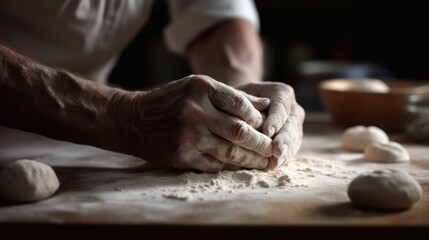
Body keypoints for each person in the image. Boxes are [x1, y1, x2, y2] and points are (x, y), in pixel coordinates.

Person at [0, 0, 304, 173]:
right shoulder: (122, 120)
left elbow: (216, 16)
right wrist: (122, 116)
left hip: (87, 151)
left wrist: (237, 105)